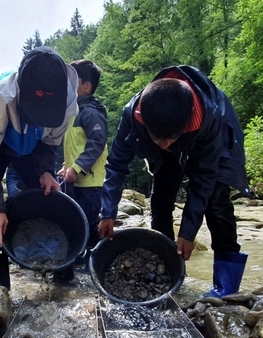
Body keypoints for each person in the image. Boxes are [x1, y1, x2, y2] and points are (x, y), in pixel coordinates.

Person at [98, 66, 250, 298]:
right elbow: (117, 164)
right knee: (159, 200)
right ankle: (166, 267)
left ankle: (226, 286)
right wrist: (107, 212)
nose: (165, 145)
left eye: (170, 139)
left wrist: (188, 233)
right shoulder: (133, 114)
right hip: (174, 139)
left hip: (215, 143)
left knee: (217, 203)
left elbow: (204, 178)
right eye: (157, 139)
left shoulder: (210, 118)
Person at [0, 46, 78, 289]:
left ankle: (62, 279)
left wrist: (47, 171)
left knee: (48, 194)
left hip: (32, 148)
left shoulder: (69, 101)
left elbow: (50, 143)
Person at [54, 59, 108, 282]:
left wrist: (76, 168)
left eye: (72, 82)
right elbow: (74, 147)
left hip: (91, 182)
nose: (67, 86)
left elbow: (96, 143)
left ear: (86, 86)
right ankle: (82, 259)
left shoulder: (91, 112)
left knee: (88, 223)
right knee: (77, 221)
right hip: (76, 179)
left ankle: (98, 263)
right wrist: (66, 167)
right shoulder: (73, 112)